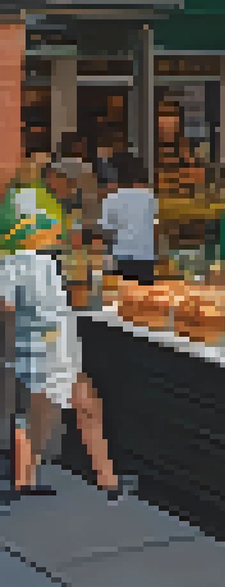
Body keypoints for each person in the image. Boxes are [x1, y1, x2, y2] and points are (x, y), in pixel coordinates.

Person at [0, 189, 122, 502]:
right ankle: (27, 481)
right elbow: (6, 304)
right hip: (41, 347)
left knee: (81, 404)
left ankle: (106, 480)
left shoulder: (46, 260)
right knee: (52, 410)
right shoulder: (15, 263)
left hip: (58, 346)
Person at [98, 155, 157, 285]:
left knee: (122, 296)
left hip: (121, 254)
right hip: (145, 254)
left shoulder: (110, 200)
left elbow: (107, 231)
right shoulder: (149, 198)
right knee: (145, 296)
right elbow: (156, 224)